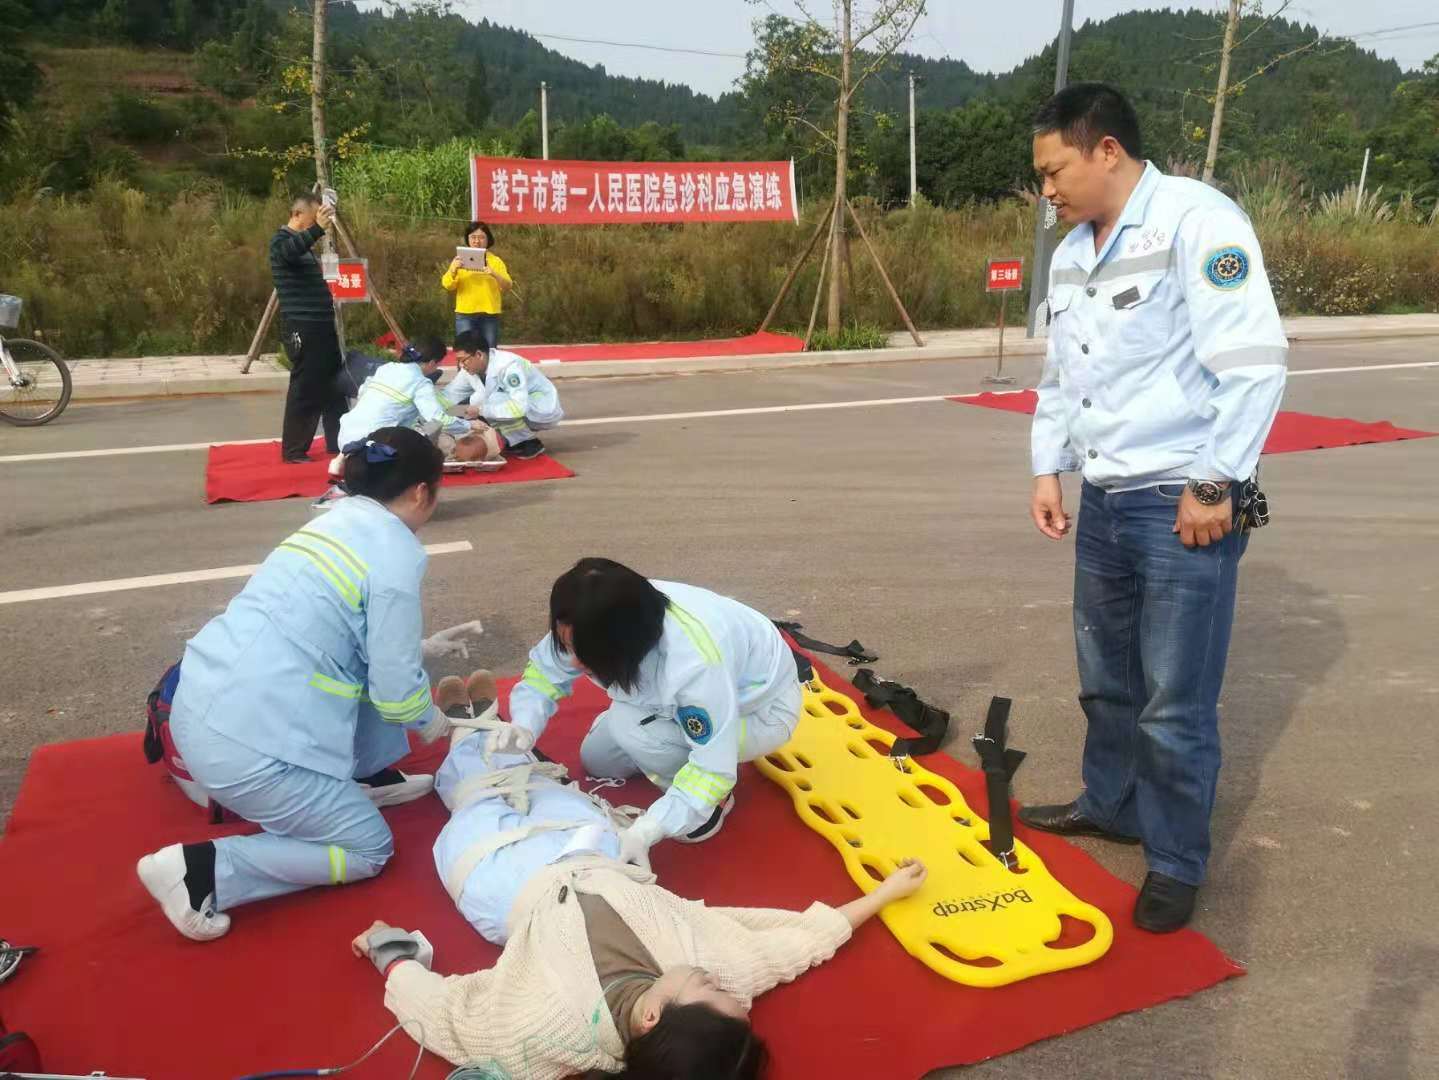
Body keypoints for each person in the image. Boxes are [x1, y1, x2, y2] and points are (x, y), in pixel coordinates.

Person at [1020, 83, 1287, 933]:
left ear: (1104, 150)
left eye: (1054, 170)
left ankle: (1175, 859)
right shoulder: (1069, 252)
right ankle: (1114, 802)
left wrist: (1217, 482)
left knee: (1173, 698)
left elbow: (1252, 362)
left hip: (1183, 497)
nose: (1046, 190)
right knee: (1105, 678)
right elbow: (1064, 373)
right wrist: (1046, 468)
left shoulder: (1196, 221)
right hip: (1103, 494)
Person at [350, 693, 928, 1078]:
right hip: (596, 856)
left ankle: (466, 738)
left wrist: (389, 953)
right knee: (548, 786)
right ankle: (487, 735)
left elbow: (446, 1016)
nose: (716, 979)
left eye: (706, 987)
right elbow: (802, 943)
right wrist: (885, 894)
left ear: (650, 1017)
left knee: (477, 802)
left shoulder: (543, 1031)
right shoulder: (720, 976)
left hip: (508, 888)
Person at [136, 428, 480, 941]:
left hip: (203, 705)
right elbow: (396, 693)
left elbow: (335, 631)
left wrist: (418, 647)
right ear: (422, 493)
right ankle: (202, 870)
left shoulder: (332, 522)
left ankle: (361, 778)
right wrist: (443, 726)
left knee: (355, 676)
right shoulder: (397, 553)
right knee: (368, 849)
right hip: (246, 753)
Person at [499, 559, 803, 872]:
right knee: (598, 760)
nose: (573, 661)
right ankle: (645, 733)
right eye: (567, 645)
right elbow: (544, 674)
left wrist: (650, 828)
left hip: (755, 711)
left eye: (584, 653)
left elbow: (713, 768)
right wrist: (524, 723)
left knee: (631, 728)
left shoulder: (694, 666)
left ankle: (713, 807)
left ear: (622, 647)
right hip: (668, 702)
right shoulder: (596, 617)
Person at [313, 337, 499, 510]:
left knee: (412, 430)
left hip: (347, 433)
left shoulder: (386, 369)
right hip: (374, 444)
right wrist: (469, 425)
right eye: (438, 364)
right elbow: (437, 418)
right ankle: (386, 493)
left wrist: (460, 411)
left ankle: (350, 471)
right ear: (433, 362)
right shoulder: (420, 383)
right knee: (424, 448)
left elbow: (365, 393)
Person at [270, 192, 348, 464]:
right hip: (304, 326)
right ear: (298, 214)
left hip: (321, 325)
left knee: (333, 384)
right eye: (314, 216)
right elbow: (288, 253)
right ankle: (293, 449)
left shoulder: (305, 247)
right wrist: (317, 229)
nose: (319, 221)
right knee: (305, 387)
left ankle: (339, 440)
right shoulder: (281, 241)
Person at [442, 330, 563, 460]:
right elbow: (449, 395)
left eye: (463, 360)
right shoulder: (469, 370)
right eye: (458, 361)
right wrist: (427, 413)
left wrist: (481, 410)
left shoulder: (508, 367)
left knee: (490, 401)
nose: (461, 366)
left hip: (541, 406)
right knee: (479, 401)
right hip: (521, 405)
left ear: (478, 355)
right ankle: (510, 439)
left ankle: (527, 443)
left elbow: (519, 407)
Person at [442, 220, 512, 348]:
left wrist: (493, 273)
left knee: (490, 353)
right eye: (473, 237)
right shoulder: (459, 260)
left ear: (488, 239)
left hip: (489, 315)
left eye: (481, 237)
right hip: (465, 314)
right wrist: (453, 270)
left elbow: (508, 286)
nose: (477, 241)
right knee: (465, 351)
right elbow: (447, 285)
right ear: (468, 239)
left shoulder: (495, 261)